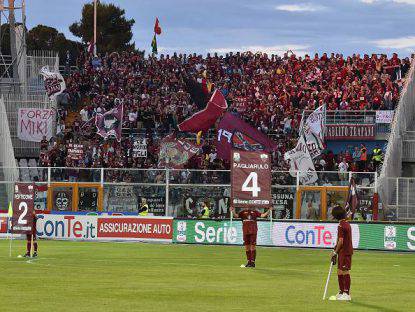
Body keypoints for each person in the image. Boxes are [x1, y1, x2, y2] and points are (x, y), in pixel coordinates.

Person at [331, 205, 353, 301]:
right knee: (339, 271)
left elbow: (341, 241)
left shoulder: (341, 225)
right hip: (342, 251)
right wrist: (335, 250)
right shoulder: (346, 223)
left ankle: (346, 293)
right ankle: (341, 292)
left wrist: (335, 252)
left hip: (345, 251)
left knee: (345, 271)